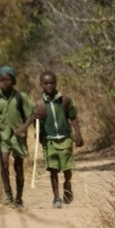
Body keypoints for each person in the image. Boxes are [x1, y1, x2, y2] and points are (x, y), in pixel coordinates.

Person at [24, 71, 82, 209]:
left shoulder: (65, 100)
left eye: (52, 83)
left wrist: (78, 134)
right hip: (49, 141)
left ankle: (67, 186)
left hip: (65, 139)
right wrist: (36, 121)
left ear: (56, 83)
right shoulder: (39, 105)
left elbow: (72, 117)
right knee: (53, 170)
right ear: (41, 85)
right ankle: (56, 197)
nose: (49, 85)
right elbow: (36, 124)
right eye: (46, 83)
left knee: (67, 169)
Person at [0, 66, 34, 208]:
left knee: (18, 166)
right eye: (1, 80)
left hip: (18, 137)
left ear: (13, 81)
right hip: (3, 137)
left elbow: (31, 115)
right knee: (3, 164)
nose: (4, 83)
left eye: (7, 80)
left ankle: (19, 197)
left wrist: (23, 128)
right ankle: (8, 195)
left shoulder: (21, 97)